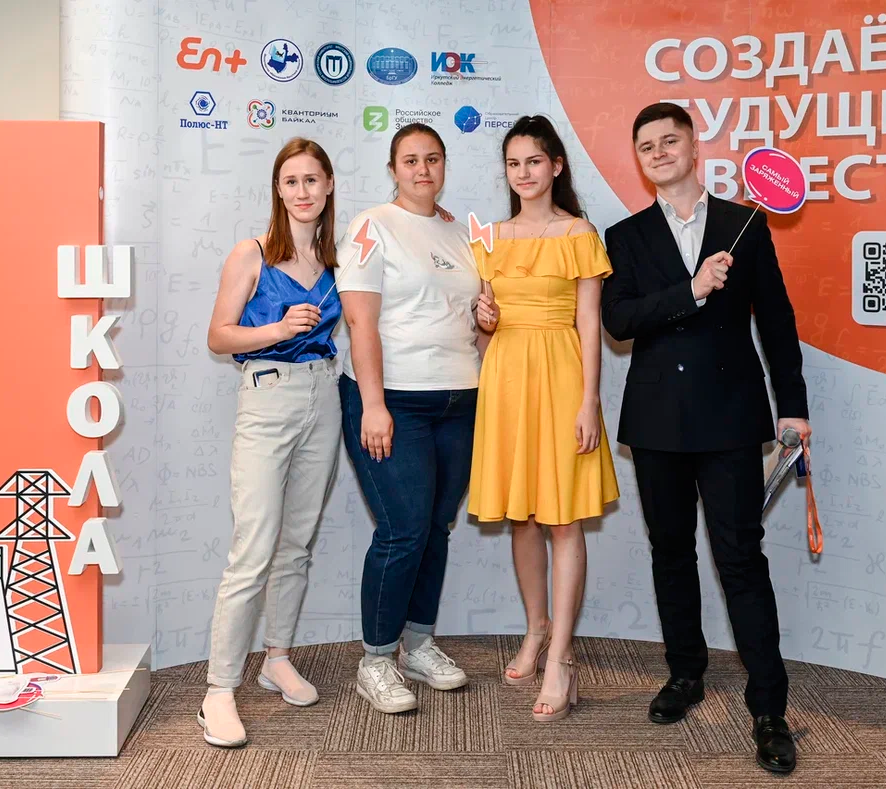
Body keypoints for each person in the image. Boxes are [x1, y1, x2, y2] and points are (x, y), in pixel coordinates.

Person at [600, 102, 810, 774]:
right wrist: (689, 290)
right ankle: (685, 672)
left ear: (694, 147)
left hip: (729, 417)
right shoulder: (624, 234)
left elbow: (776, 320)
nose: (660, 152)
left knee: (740, 558)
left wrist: (794, 408)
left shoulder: (743, 223)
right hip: (656, 420)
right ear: (639, 159)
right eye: (647, 145)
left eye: (670, 140)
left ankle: (769, 707)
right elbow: (618, 321)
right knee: (670, 553)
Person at [469, 115, 619, 722]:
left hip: (561, 378)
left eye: (534, 161)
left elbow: (589, 323)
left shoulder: (579, 232)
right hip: (506, 380)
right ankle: (536, 629)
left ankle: (561, 659)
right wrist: (483, 321)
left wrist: (589, 402)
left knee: (563, 519)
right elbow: (485, 330)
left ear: (556, 165)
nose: (523, 173)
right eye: (513, 163)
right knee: (522, 517)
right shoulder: (490, 237)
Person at [200, 138, 343, 747]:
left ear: (328, 186)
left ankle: (277, 658)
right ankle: (218, 691)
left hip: (324, 397)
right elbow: (218, 336)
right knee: (253, 548)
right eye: (291, 181)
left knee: (296, 543)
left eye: (312, 180)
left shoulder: (338, 259)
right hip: (267, 397)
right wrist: (277, 329)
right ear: (278, 190)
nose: (302, 191)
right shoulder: (252, 253)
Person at [337, 123, 481, 714]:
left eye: (433, 159)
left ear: (444, 165)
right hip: (393, 399)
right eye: (411, 160)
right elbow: (360, 321)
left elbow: (469, 315)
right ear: (393, 169)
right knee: (402, 530)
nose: (423, 169)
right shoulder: (372, 226)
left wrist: (489, 316)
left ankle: (418, 645)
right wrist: (373, 405)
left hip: (460, 399)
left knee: (436, 526)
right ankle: (375, 660)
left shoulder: (462, 231)